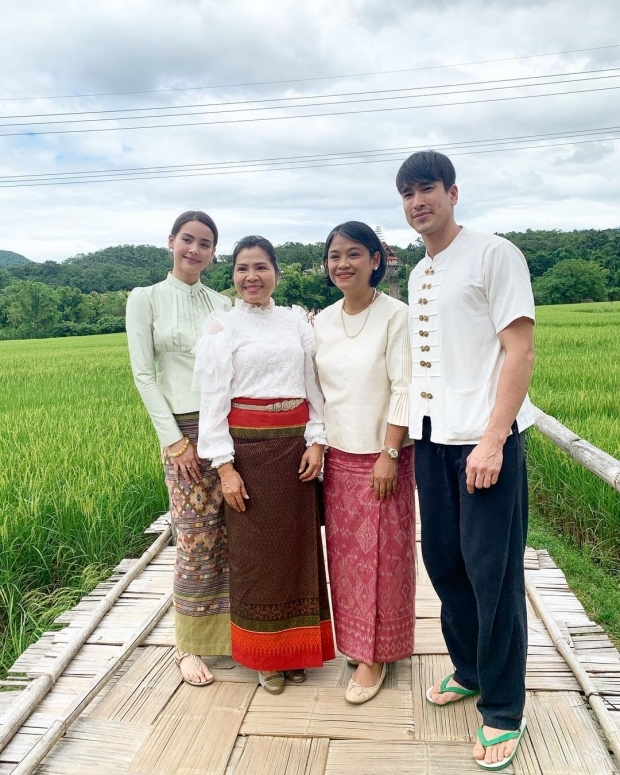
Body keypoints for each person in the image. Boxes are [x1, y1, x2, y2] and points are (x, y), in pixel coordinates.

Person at [396, 150, 535, 771]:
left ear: (453, 192)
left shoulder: (494, 253)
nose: (417, 202)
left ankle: (504, 709)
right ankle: (471, 669)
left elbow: (519, 349)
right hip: (433, 440)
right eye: (407, 194)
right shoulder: (418, 273)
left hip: (484, 443)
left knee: (493, 573)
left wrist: (495, 437)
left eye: (426, 189)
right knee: (445, 561)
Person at [192, 235, 335, 695]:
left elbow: (315, 387)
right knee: (255, 556)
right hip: (248, 454)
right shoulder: (221, 329)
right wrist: (225, 466)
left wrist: (316, 440)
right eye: (242, 269)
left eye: (261, 267)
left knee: (298, 549)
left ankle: (297, 653)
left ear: (276, 272)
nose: (251, 277)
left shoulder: (296, 323)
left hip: (295, 451)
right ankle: (264, 657)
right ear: (232, 276)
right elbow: (213, 404)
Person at [126, 211, 232, 687]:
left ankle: (235, 633)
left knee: (234, 533)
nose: (195, 249)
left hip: (225, 428)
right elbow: (144, 375)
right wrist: (174, 441)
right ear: (171, 242)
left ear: (213, 252)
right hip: (182, 431)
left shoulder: (223, 303)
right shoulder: (145, 299)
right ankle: (187, 646)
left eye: (205, 243)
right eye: (187, 240)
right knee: (193, 537)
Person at [314, 221, 415, 705]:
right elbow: (316, 392)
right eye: (335, 255)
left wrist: (389, 453)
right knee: (348, 559)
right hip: (338, 458)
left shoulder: (396, 316)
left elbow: (405, 387)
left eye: (354, 254)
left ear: (376, 260)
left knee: (382, 558)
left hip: (383, 458)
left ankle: (375, 658)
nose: (343, 264)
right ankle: (359, 644)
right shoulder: (322, 321)